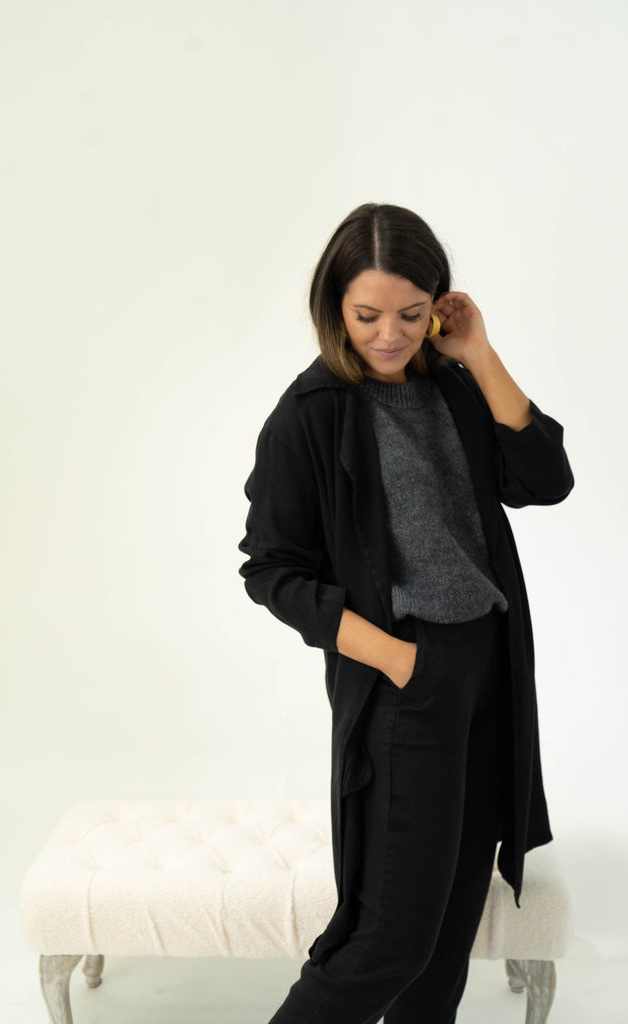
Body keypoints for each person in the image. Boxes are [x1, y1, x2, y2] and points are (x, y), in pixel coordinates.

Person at [237, 203, 574, 1024]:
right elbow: (271, 569)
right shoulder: (311, 414)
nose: (389, 335)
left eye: (411, 314)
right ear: (334, 307)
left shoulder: (452, 385)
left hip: (489, 669)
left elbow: (545, 478)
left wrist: (480, 353)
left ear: (437, 308)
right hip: (406, 679)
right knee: (388, 940)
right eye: (367, 316)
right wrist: (392, 658)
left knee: (446, 935)